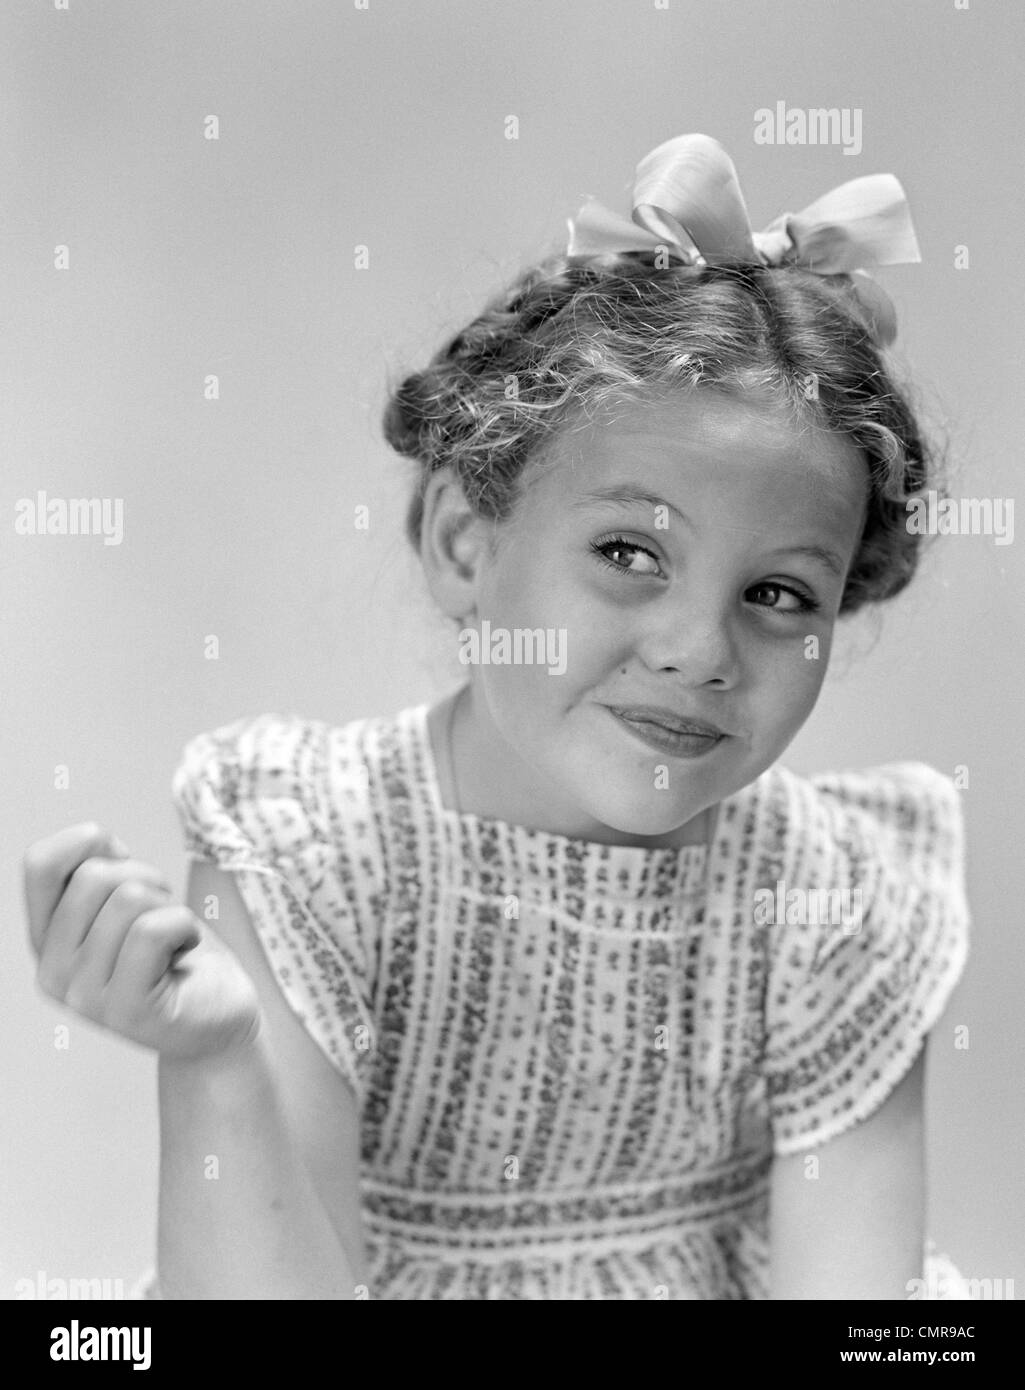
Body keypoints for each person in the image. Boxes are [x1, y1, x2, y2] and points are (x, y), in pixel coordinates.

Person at [23, 134, 971, 1300]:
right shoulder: (303, 855)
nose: (696, 651)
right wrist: (215, 1060)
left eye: (777, 593)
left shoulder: (837, 893)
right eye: (628, 552)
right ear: (462, 544)